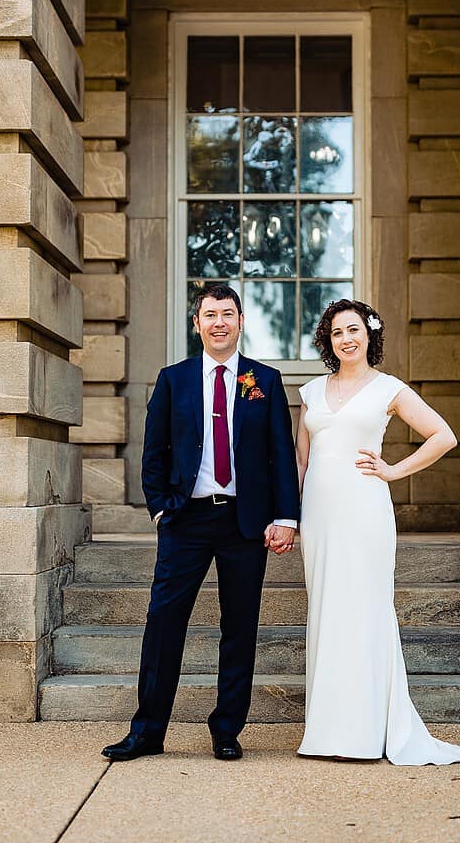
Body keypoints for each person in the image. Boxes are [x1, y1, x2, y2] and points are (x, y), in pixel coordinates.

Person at [103, 282, 300, 764]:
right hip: (186, 520)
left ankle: (227, 730)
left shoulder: (264, 380)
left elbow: (281, 453)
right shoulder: (174, 379)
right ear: (196, 324)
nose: (219, 323)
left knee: (240, 628)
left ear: (241, 322)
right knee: (163, 624)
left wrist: (285, 516)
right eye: (210, 315)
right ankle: (147, 732)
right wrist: (161, 508)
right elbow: (154, 452)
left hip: (244, 523)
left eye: (227, 314)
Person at [296, 296, 460, 764]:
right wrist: (289, 516)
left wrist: (394, 471)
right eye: (337, 332)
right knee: (326, 611)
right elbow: (302, 460)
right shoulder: (311, 392)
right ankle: (328, 732)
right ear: (328, 340)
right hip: (319, 514)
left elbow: (444, 435)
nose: (346, 339)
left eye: (353, 329)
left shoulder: (388, 389)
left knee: (365, 609)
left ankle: (367, 732)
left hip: (365, 510)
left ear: (369, 333)